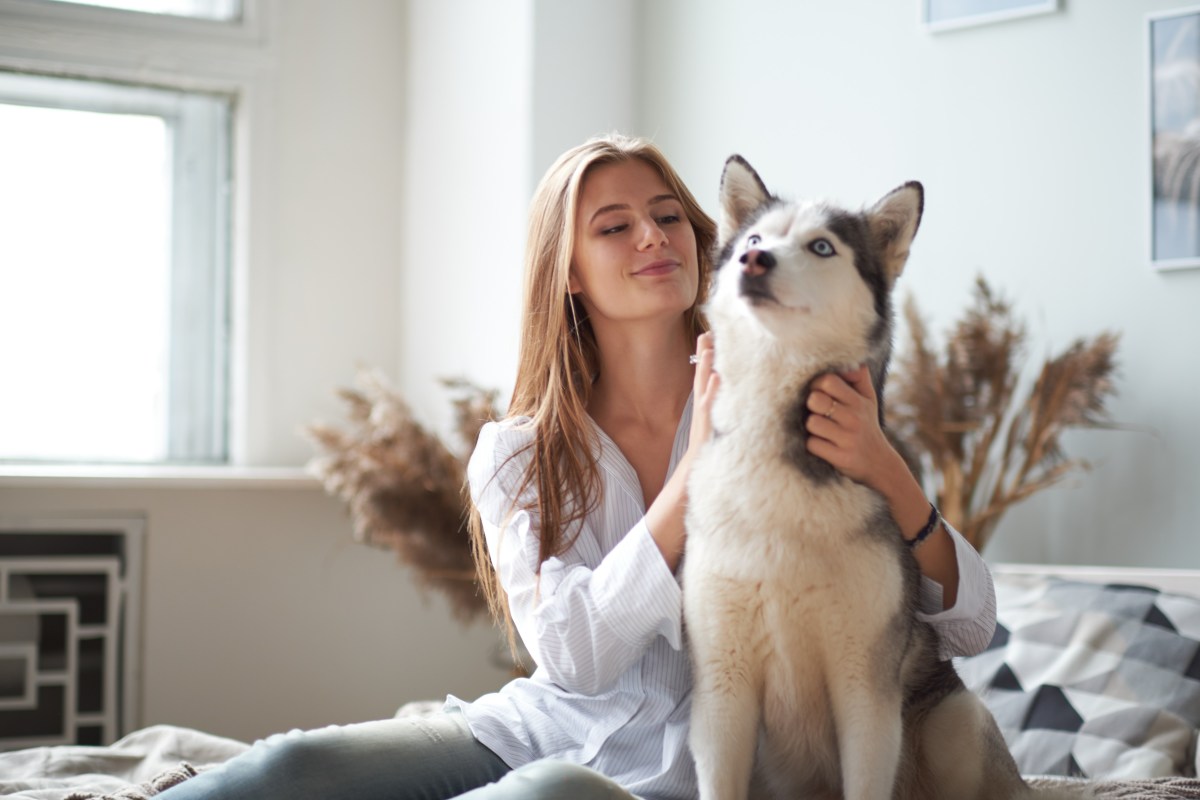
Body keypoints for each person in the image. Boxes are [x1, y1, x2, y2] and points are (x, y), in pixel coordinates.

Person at [156, 133, 997, 800]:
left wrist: (890, 474)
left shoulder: (802, 409)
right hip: (528, 728)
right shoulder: (518, 450)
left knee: (550, 796)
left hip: (666, 776)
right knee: (289, 772)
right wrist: (696, 469)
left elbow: (968, 629)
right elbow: (573, 660)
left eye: (669, 216)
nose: (653, 237)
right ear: (566, 271)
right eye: (613, 225)